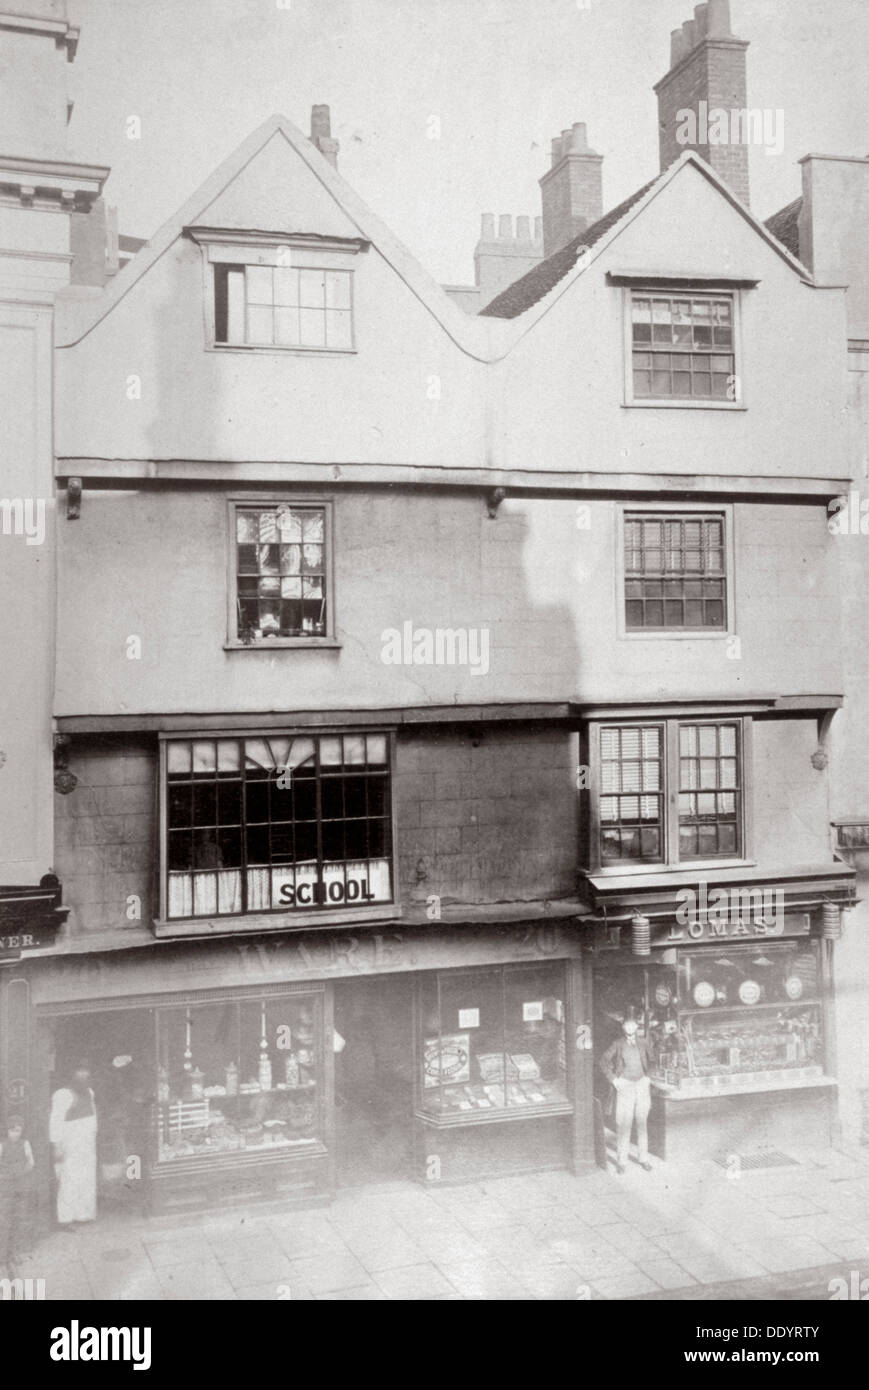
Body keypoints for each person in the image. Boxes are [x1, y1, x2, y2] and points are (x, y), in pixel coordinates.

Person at [600, 1014, 653, 1174]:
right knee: (624, 1124)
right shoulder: (618, 1044)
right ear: (623, 1028)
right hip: (625, 1087)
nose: (630, 1028)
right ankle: (622, 1162)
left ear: (637, 1027)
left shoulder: (643, 1043)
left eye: (633, 1025)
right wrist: (614, 1080)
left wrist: (648, 1077)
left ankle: (643, 1158)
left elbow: (653, 1061)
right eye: (627, 1026)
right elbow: (603, 1061)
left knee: (642, 1123)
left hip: (641, 1085)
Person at [49, 1062, 98, 1227]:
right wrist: (57, 1145)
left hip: (87, 1143)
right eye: (80, 1076)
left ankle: (83, 1214)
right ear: (72, 1078)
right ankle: (65, 1218)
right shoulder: (62, 1095)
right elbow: (55, 1121)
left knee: (86, 1178)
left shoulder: (90, 1093)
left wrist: (93, 1134)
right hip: (70, 1143)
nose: (84, 1079)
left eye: (86, 1076)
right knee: (68, 1179)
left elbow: (93, 1115)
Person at [0, 1115, 35, 1271]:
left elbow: (31, 1162)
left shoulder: (25, 1144)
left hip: (21, 1185)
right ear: (7, 1131)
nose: (16, 1134)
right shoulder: (2, 1145)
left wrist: (21, 1172)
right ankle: (3, 1254)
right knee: (5, 1219)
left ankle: (17, 1253)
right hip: (6, 1187)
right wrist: (5, 1175)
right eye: (13, 1131)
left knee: (21, 1218)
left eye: (19, 1130)